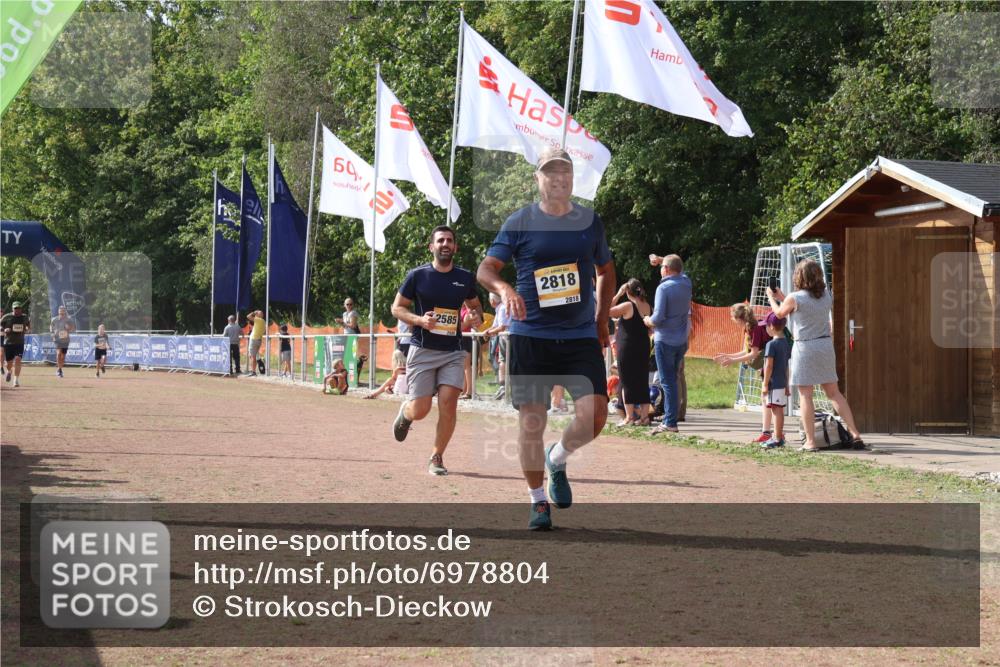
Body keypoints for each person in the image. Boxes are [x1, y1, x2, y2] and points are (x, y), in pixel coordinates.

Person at [477, 146, 616, 531]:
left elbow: (606, 268)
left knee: (596, 415)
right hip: (530, 335)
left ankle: (558, 457)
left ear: (573, 178)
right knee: (532, 423)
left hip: (579, 335)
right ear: (537, 179)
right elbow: (486, 268)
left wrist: (602, 318)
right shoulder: (520, 221)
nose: (558, 178)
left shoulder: (590, 222)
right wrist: (505, 289)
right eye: (550, 172)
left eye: (565, 171)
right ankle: (538, 501)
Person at [391, 225, 483, 477]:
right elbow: (396, 308)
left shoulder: (465, 277)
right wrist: (420, 320)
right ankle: (406, 413)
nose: (445, 244)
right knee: (421, 409)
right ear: (431, 247)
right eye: (440, 240)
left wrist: (476, 317)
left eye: (449, 240)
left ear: (455, 247)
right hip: (422, 349)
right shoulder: (417, 276)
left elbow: (475, 306)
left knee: (448, 403)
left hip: (453, 351)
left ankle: (436, 456)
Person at [768, 259, 865, 451]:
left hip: (805, 348)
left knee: (806, 396)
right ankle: (855, 434)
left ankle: (811, 441)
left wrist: (772, 297)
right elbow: (805, 309)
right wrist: (784, 296)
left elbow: (780, 313)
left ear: (799, 277)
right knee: (834, 393)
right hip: (824, 346)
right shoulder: (826, 296)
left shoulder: (794, 298)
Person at [643, 255, 692, 434]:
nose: (660, 269)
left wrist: (647, 320)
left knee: (667, 382)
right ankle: (671, 418)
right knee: (674, 379)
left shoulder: (663, 288)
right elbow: (679, 267)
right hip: (681, 341)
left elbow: (658, 317)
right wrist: (663, 259)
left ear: (667, 269)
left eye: (662, 266)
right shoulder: (686, 282)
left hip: (664, 340)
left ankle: (670, 421)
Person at [714, 303, 773, 442]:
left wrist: (732, 361)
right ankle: (769, 432)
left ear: (739, 318)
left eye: (732, 317)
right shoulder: (748, 328)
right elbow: (746, 351)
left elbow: (753, 354)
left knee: (769, 398)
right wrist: (728, 356)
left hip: (772, 365)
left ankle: (770, 433)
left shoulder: (756, 328)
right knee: (767, 398)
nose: (732, 320)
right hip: (765, 366)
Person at [610, 278, 652, 426]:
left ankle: (629, 417)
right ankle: (645, 417)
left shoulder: (628, 305)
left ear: (628, 291)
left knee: (627, 380)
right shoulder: (646, 306)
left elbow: (607, 311)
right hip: (643, 347)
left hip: (628, 347)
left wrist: (618, 294)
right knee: (641, 380)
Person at [760, 313, 791, 449]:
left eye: (766, 325)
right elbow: (786, 366)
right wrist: (787, 384)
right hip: (782, 382)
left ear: (771, 326)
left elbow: (769, 365)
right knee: (779, 410)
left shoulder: (771, 344)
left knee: (775, 410)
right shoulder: (786, 343)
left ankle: (777, 438)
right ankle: (778, 435)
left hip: (775, 383)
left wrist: (765, 384)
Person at [483, 293, 510, 400]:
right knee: (501, 360)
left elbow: (502, 327)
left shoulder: (502, 308)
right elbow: (495, 326)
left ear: (492, 301)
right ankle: (503, 386)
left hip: (507, 337)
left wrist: (489, 333)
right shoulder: (500, 308)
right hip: (504, 337)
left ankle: (504, 386)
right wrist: (487, 331)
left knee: (503, 361)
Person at [1, 301, 30, 387]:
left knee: (18, 359)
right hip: (9, 342)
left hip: (19, 342)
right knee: (9, 363)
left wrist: (28, 329)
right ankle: (9, 371)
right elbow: (1, 325)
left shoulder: (24, 317)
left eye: (18, 308)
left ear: (21, 309)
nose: (17, 310)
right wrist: (4, 329)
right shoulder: (7, 317)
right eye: (15, 308)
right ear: (12, 308)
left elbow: (28, 325)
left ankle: (16, 380)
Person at [458, 304, 482, 399]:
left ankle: (469, 391)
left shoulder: (468, 312)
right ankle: (464, 390)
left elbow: (464, 326)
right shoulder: (462, 310)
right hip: (464, 338)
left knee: (466, 367)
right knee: (464, 367)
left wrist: (454, 329)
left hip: (465, 338)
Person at [50, 305, 76, 378]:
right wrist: (52, 334)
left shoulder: (69, 319)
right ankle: (59, 369)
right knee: (58, 353)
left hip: (65, 339)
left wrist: (69, 328)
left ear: (65, 311)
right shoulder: (54, 319)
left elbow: (73, 329)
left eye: (63, 310)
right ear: (58, 311)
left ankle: (60, 368)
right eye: (60, 310)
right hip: (57, 339)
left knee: (63, 356)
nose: (62, 312)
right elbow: (51, 327)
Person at [247, 310, 265, 376]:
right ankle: (254, 370)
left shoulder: (258, 320)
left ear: (258, 315)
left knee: (252, 356)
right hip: (259, 340)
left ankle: (253, 372)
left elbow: (248, 316)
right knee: (254, 356)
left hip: (254, 339)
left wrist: (254, 312)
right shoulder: (263, 321)